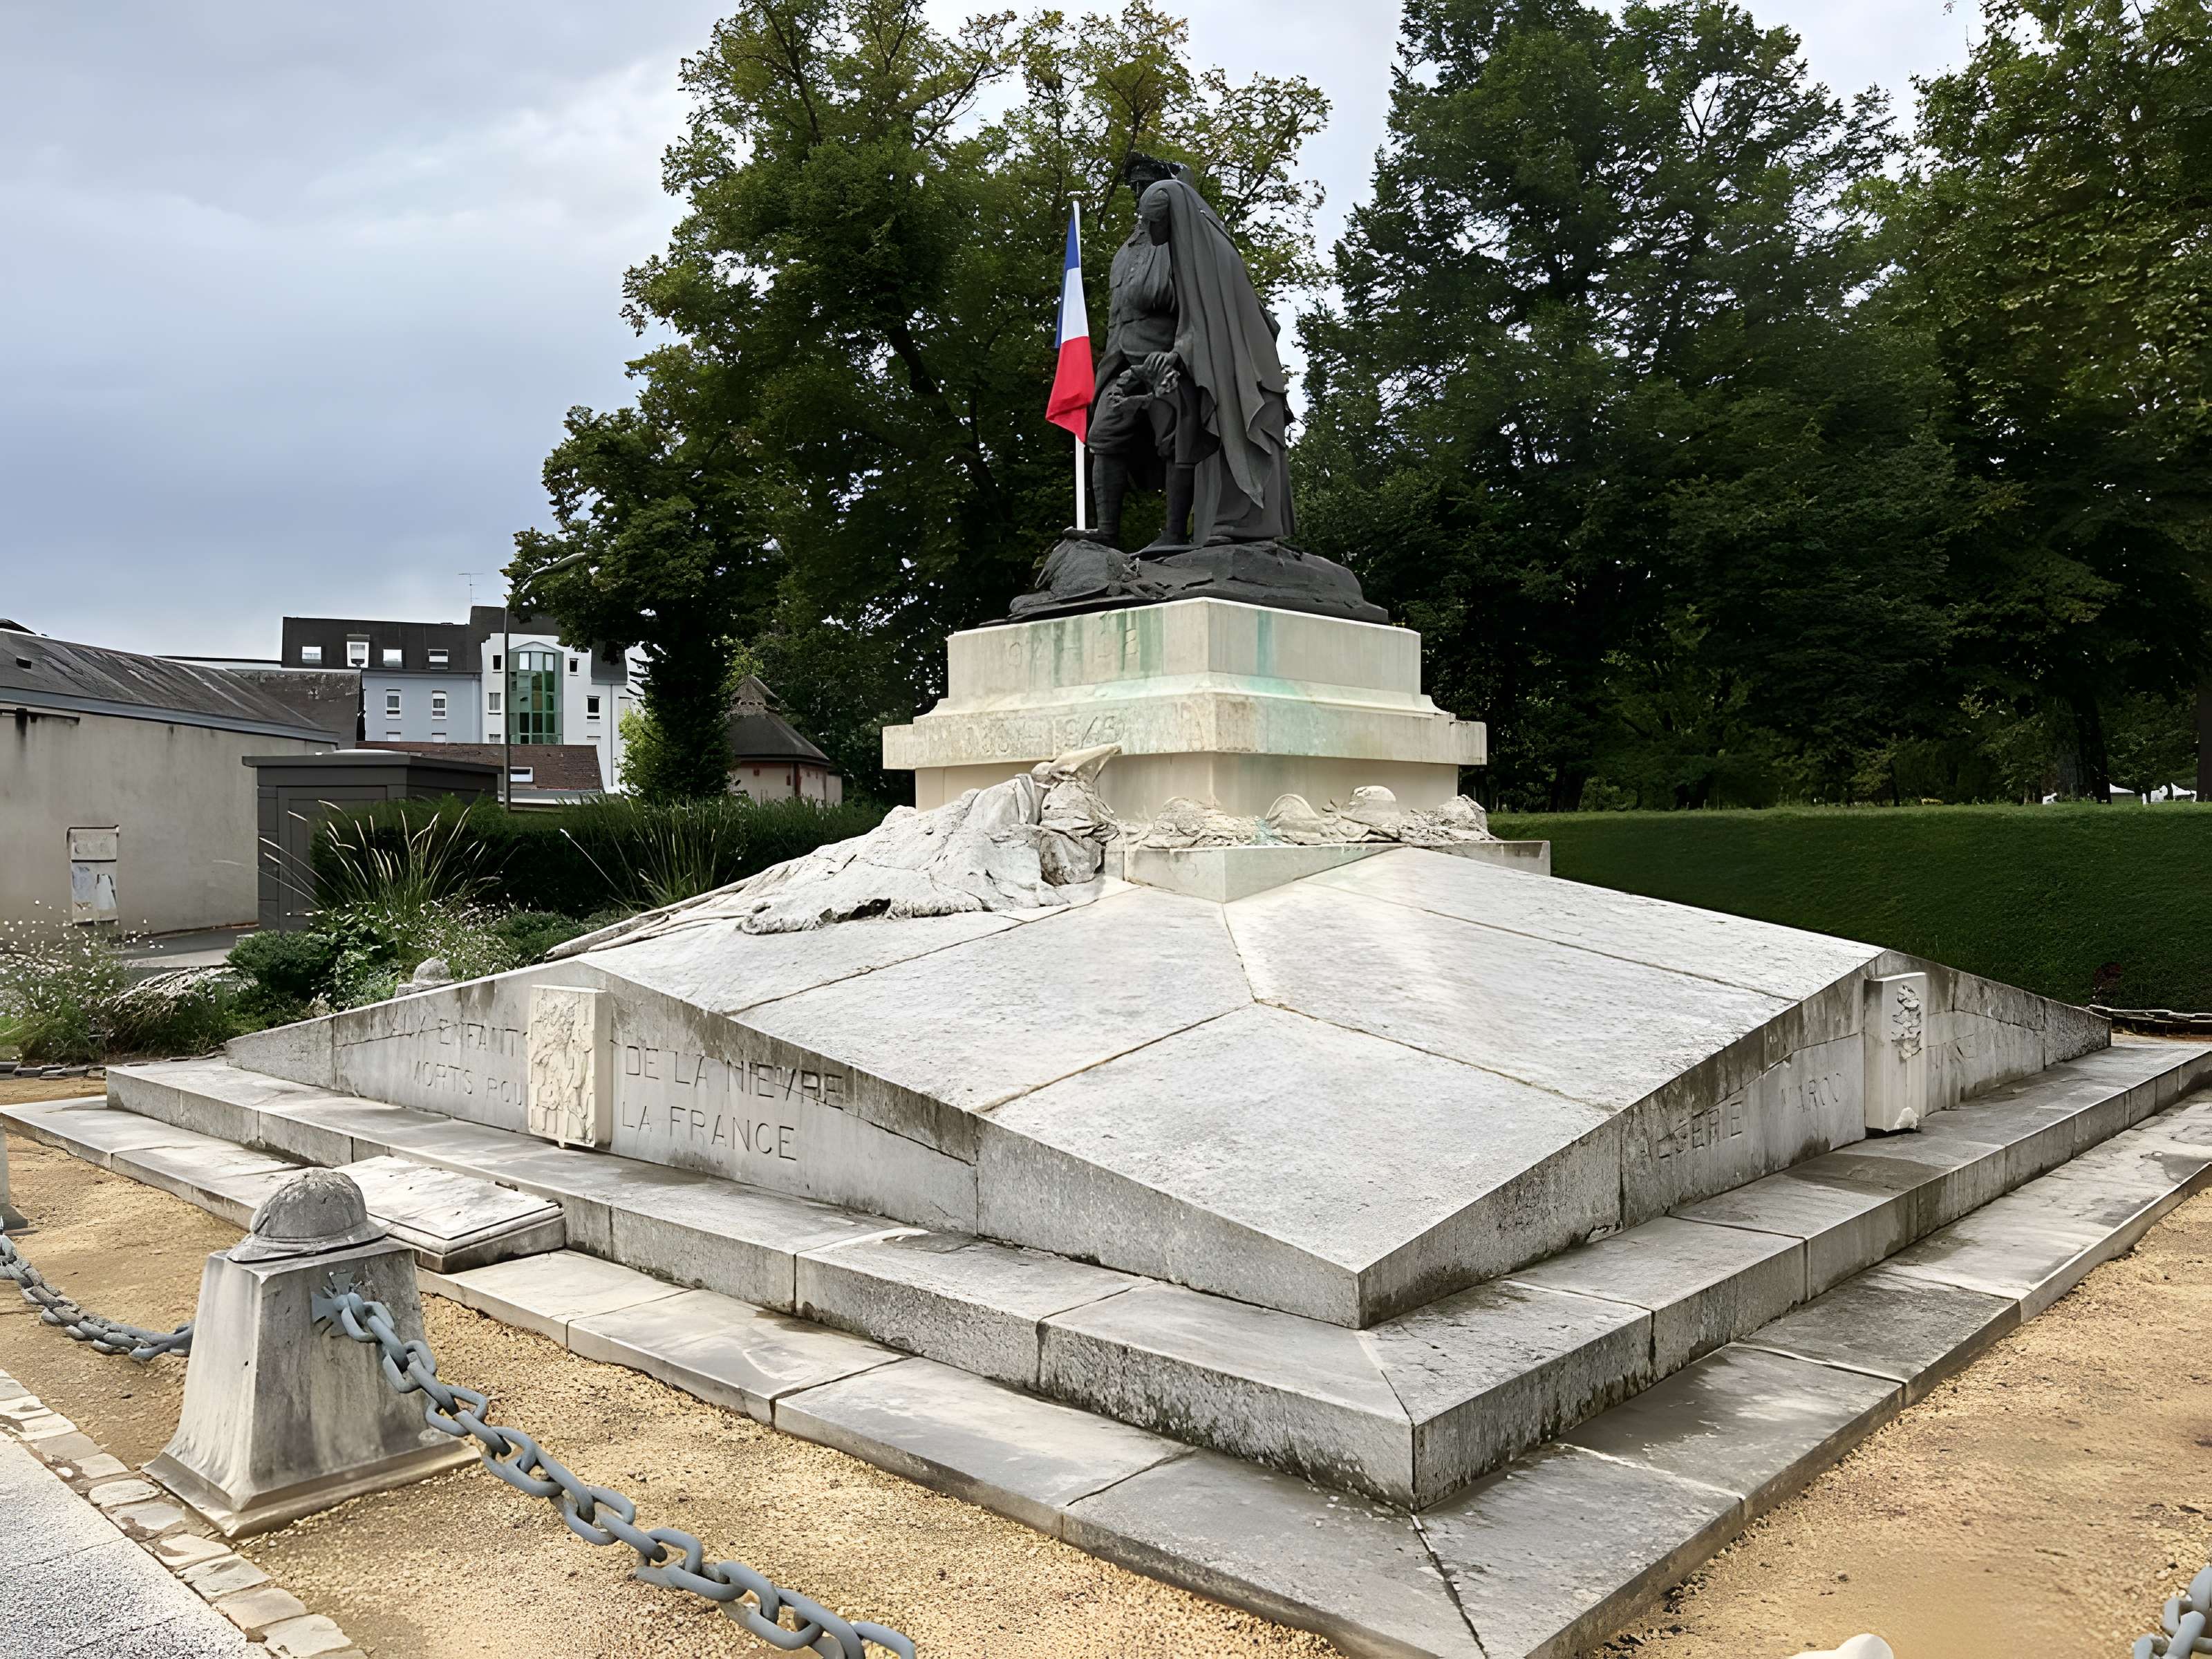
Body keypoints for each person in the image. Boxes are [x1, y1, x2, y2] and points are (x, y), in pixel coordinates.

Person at [1075, 152, 1295, 553]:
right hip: (1121, 360)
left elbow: (1204, 306)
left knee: (1177, 441)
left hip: (1168, 360)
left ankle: (1174, 534)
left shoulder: (1184, 238)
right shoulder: (1126, 250)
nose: (1140, 194)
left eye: (1148, 185)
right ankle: (1107, 531)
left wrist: (1180, 354)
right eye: (1135, 188)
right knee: (1104, 437)